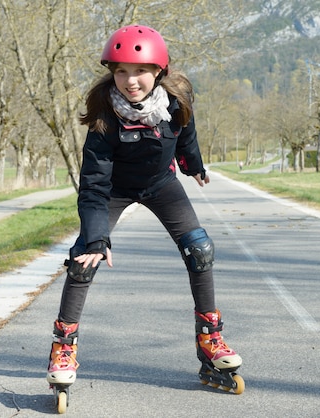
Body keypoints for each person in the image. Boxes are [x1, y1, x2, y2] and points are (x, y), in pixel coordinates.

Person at [46, 25, 242, 389]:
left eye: (139, 70)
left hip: (161, 185)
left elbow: (186, 136)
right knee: (83, 259)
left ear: (159, 71)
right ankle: (63, 347)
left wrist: (192, 165)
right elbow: (92, 185)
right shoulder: (105, 116)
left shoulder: (176, 102)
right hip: (112, 191)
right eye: (120, 70)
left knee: (200, 249)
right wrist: (96, 238)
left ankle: (210, 339)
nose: (129, 80)